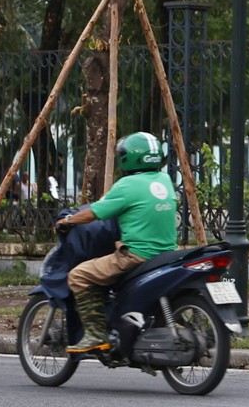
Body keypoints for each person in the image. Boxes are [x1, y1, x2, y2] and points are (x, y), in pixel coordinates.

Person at [56, 132, 178, 354]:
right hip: (166, 256)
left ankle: (94, 334)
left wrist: (68, 220)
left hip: (136, 256)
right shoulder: (165, 179)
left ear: (130, 157)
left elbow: (93, 213)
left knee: (78, 275)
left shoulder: (127, 185)